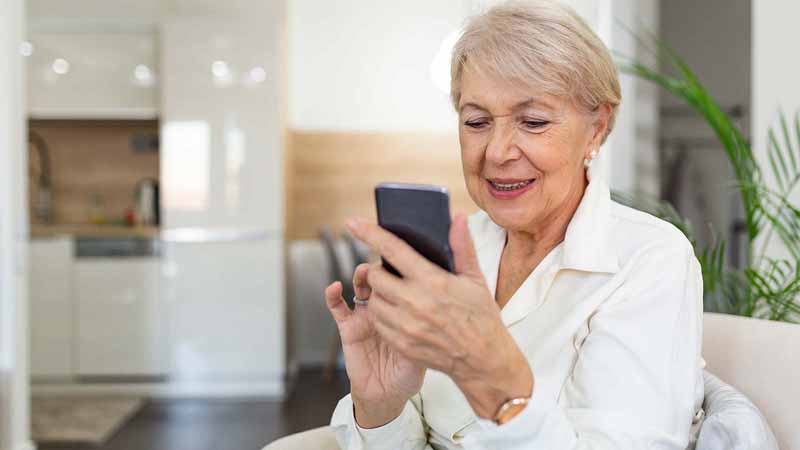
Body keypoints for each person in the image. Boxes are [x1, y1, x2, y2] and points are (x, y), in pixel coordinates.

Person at [324, 1, 704, 448]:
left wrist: (494, 380)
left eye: (533, 121)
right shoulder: (452, 249)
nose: (498, 152)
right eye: (477, 121)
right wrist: (380, 406)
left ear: (597, 127)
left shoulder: (649, 260)